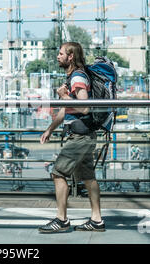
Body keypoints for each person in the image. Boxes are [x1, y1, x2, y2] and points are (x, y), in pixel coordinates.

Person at [38, 42, 105, 233]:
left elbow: (83, 106)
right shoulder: (73, 77)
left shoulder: (77, 77)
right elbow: (66, 111)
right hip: (85, 135)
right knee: (88, 177)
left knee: (58, 174)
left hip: (79, 137)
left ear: (70, 57)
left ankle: (61, 220)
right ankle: (97, 220)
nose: (57, 56)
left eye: (61, 54)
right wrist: (50, 129)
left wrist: (63, 96)